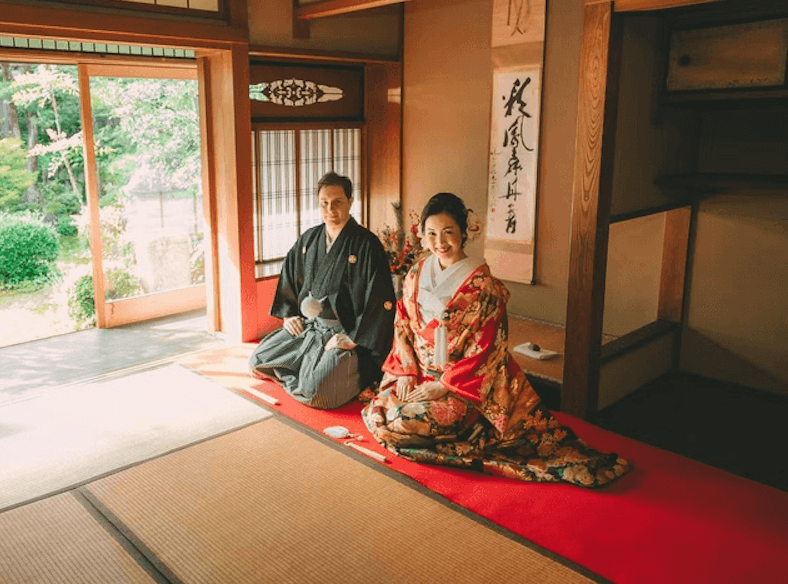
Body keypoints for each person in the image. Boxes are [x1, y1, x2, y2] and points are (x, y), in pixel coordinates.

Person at [362, 192, 631, 488]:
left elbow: (487, 348)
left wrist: (443, 386)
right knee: (383, 407)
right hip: (418, 374)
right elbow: (403, 321)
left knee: (400, 420)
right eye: (432, 234)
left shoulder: (483, 286)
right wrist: (407, 370)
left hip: (460, 385)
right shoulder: (416, 272)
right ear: (423, 236)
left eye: (448, 232)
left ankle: (470, 428)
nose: (440, 242)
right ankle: (426, 428)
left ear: (464, 232)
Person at [249, 172, 396, 409]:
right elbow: (290, 273)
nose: (330, 209)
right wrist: (289, 316)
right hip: (311, 329)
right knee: (257, 360)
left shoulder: (367, 244)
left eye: (337, 202)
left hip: (345, 335)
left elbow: (380, 298)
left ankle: (320, 375)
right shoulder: (310, 239)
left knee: (318, 391)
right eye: (324, 204)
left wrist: (352, 338)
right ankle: (307, 373)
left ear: (350, 201)